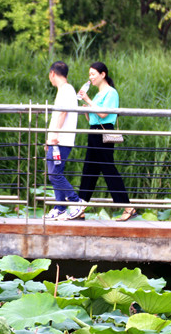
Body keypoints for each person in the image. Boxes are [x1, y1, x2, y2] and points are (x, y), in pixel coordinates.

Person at [76, 61, 136, 221]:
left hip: (103, 133)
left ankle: (128, 207)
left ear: (103, 74)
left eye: (93, 74)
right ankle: (80, 208)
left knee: (108, 169)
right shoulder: (98, 95)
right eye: (89, 74)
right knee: (89, 170)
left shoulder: (111, 93)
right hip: (94, 132)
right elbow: (93, 117)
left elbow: (104, 114)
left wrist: (88, 101)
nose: (90, 77)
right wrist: (86, 109)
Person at [45, 61, 86, 221]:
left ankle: (76, 203)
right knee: (54, 173)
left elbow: (62, 113)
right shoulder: (65, 90)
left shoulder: (66, 90)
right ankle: (60, 207)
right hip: (56, 140)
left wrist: (54, 135)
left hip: (61, 140)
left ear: (52, 74)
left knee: (55, 174)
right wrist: (49, 139)